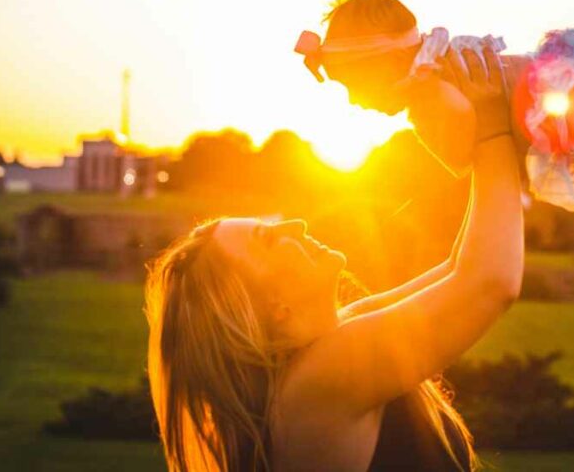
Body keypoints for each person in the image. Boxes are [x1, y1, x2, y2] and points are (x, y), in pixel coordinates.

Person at [145, 45, 523, 471]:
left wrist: (489, 145)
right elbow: (490, 284)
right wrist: (492, 126)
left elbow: (462, 266)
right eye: (270, 239)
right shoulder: (322, 376)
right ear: (276, 308)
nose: (297, 226)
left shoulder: (334, 342)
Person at [295, 0, 574, 215]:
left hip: (550, 88)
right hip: (547, 96)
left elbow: (461, 132)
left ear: (385, 65)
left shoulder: (428, 86)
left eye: (355, 85)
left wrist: (454, 153)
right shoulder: (430, 69)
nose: (353, 100)